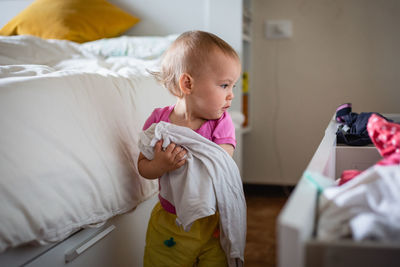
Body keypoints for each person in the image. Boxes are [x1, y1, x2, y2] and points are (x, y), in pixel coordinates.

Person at [137, 30, 241, 267]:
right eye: (224, 85)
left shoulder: (220, 122)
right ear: (187, 83)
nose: (231, 95)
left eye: (232, 85)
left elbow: (221, 162)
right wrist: (160, 165)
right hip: (170, 221)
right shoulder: (159, 122)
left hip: (212, 221)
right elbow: (143, 166)